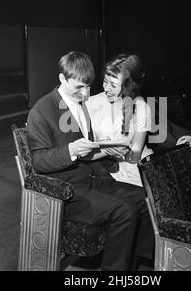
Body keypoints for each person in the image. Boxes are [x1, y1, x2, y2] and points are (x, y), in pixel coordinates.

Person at [27, 51, 154, 270]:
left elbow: (89, 153)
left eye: (89, 86)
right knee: (126, 211)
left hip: (93, 177)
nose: (86, 92)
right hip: (68, 191)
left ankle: (132, 263)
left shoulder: (80, 104)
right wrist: (71, 150)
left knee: (145, 198)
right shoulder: (41, 110)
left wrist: (106, 149)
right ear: (62, 79)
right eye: (80, 87)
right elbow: (38, 161)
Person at [85, 54, 153, 188]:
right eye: (105, 81)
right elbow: (83, 152)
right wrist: (106, 149)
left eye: (113, 85)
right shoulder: (90, 104)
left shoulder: (141, 108)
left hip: (135, 169)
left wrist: (124, 151)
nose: (106, 88)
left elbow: (135, 155)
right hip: (101, 169)